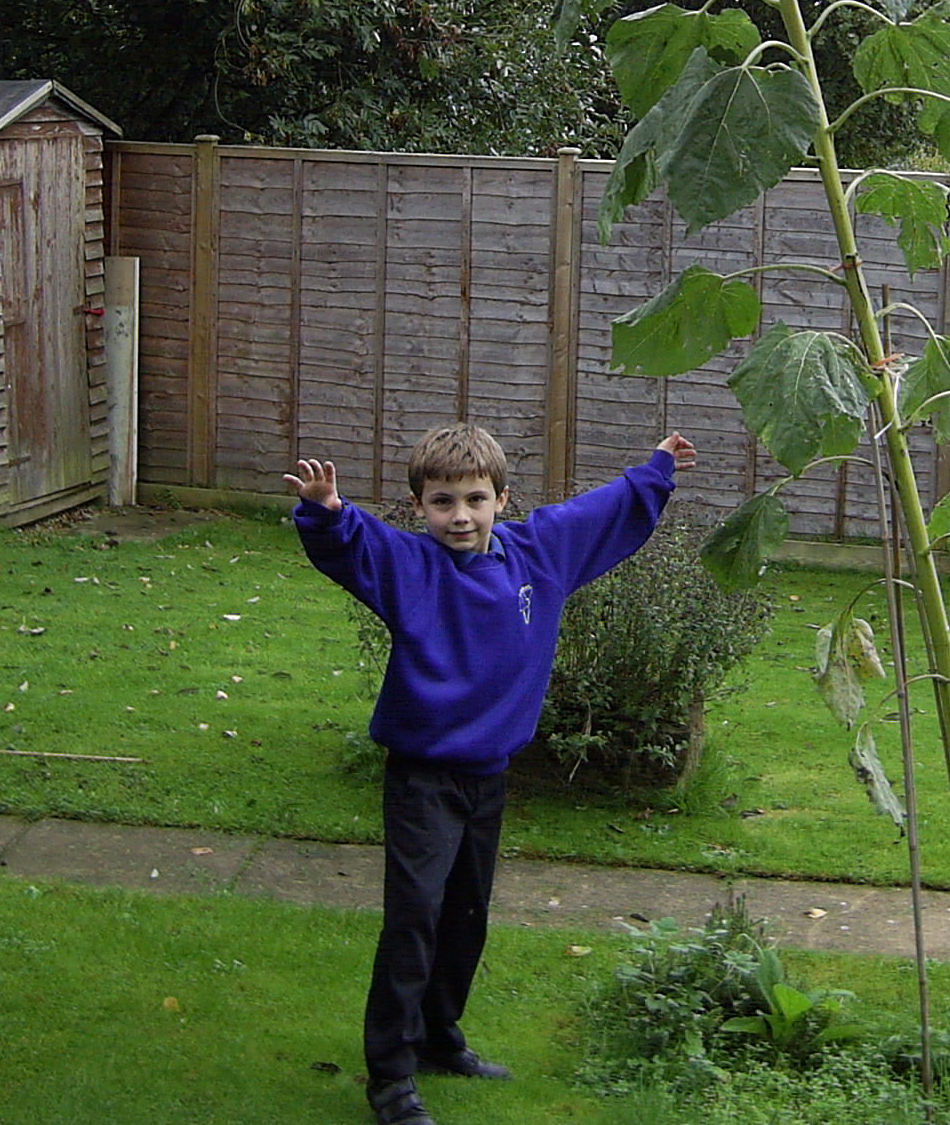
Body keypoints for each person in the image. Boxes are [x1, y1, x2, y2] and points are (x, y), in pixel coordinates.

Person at [286, 422, 696, 1125]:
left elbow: (601, 512)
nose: (460, 516)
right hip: (422, 777)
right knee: (414, 918)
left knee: (465, 916)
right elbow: (351, 544)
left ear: (502, 499)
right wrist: (324, 511)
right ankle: (390, 1080)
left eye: (475, 499)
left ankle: (439, 1040)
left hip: (489, 776)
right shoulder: (410, 567)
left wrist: (655, 468)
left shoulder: (539, 556)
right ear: (419, 508)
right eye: (443, 502)